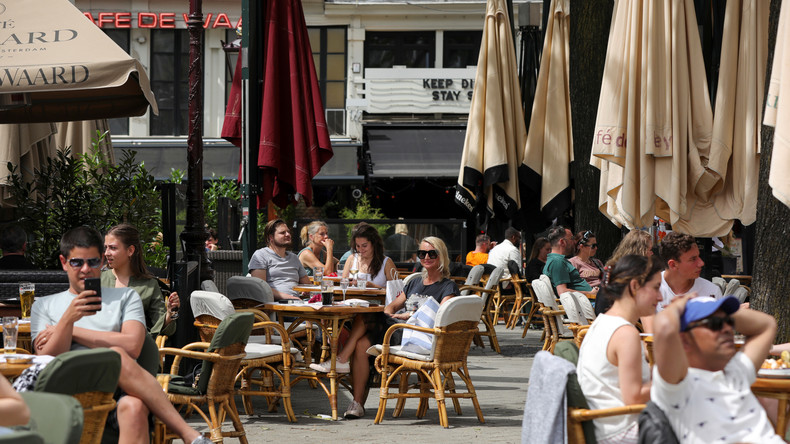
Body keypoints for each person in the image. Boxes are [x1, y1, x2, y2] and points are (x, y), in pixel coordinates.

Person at [30, 226, 211, 444]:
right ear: (64, 262)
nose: (86, 269)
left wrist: (68, 330)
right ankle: (189, 434)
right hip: (64, 382)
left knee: (134, 404)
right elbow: (44, 358)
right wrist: (68, 319)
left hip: (117, 380)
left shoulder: (130, 295)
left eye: (94, 261)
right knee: (116, 352)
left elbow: (135, 343)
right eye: (77, 262)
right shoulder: (44, 304)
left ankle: (192, 437)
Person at [312, 236, 458, 420]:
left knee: (365, 315)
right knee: (362, 344)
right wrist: (391, 316)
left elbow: (440, 317)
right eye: (422, 253)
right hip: (398, 330)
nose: (426, 257)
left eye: (432, 253)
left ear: (441, 256)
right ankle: (356, 404)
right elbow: (391, 306)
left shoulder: (447, 286)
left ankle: (341, 359)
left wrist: (407, 316)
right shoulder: (415, 282)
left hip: (419, 336)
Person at [651, 295, 782, 443]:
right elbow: (665, 327)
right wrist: (681, 304)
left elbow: (767, 324)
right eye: (714, 324)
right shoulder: (678, 386)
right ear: (684, 340)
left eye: (729, 323)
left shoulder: (735, 373)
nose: (727, 329)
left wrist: (717, 311)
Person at [577, 255, 663, 443]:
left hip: (602, 426)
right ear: (634, 287)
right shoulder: (625, 333)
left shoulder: (602, 323)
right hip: (620, 431)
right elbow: (634, 397)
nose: (660, 297)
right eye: (656, 288)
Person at [102, 223, 180, 338]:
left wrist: (171, 312)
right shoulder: (98, 279)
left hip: (134, 348)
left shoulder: (149, 285)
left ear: (130, 251)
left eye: (113, 248)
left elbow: (165, 328)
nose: (106, 253)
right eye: (106, 247)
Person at [249, 219, 311, 301]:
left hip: (295, 302)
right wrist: (290, 298)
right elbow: (260, 287)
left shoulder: (294, 258)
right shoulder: (261, 255)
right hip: (274, 305)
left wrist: (305, 291)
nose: (288, 234)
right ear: (271, 237)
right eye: (282, 233)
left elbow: (307, 284)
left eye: (288, 232)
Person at [341, 224, 397, 289]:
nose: (360, 249)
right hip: (353, 298)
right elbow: (343, 284)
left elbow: (396, 290)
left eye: (364, 246)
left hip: (378, 299)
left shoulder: (386, 262)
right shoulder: (352, 259)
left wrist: (373, 286)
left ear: (374, 243)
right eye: (358, 246)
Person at [543, 226, 593, 295]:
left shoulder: (555, 260)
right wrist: (590, 293)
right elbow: (562, 291)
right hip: (587, 302)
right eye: (572, 238)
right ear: (562, 242)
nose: (575, 242)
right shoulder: (557, 262)